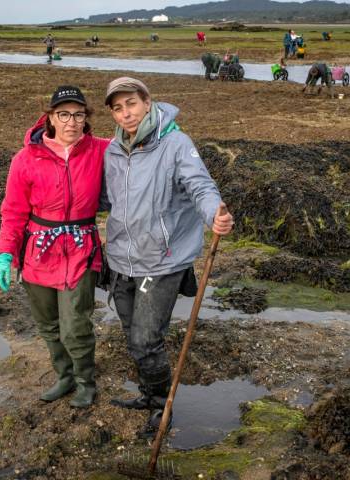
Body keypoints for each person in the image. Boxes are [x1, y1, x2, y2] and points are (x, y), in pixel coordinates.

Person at [101, 77, 234, 438]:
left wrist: (214, 215)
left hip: (162, 260)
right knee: (133, 335)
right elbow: (104, 200)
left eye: (131, 104)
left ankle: (161, 404)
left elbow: (201, 186)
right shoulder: (112, 150)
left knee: (146, 339)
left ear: (146, 102)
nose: (125, 113)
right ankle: (147, 394)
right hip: (121, 259)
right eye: (117, 107)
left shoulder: (176, 143)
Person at [0, 86, 110, 409]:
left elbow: (137, 144)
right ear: (50, 117)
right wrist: (5, 253)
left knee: (76, 325)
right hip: (38, 253)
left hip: (81, 249)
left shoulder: (101, 150)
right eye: (64, 114)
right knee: (48, 324)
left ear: (86, 119)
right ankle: (65, 376)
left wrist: (162, 125)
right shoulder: (25, 159)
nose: (72, 122)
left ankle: (86, 380)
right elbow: (13, 211)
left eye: (78, 114)